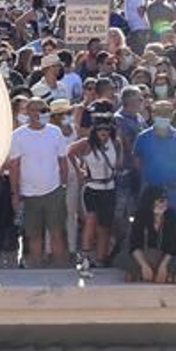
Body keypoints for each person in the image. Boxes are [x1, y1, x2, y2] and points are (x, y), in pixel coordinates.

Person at [7, 98, 69, 268]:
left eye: (42, 110)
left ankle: (60, 270)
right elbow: (14, 166)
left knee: (57, 233)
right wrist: (15, 193)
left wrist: (63, 186)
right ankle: (37, 270)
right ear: (27, 112)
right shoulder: (18, 135)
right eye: (33, 110)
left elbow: (63, 161)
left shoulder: (55, 132)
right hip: (29, 194)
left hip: (53, 191)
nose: (37, 114)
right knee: (34, 235)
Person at [68, 115, 119, 269]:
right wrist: (79, 170)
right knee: (90, 221)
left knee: (105, 226)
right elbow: (69, 152)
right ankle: (85, 256)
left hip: (109, 188)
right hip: (92, 188)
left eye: (107, 129)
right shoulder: (87, 144)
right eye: (100, 129)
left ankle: (100, 258)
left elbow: (119, 162)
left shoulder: (115, 143)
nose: (103, 132)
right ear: (94, 130)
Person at [126, 187, 176, 283]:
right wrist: (144, 265)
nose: (164, 204)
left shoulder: (171, 216)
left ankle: (152, 275)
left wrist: (163, 266)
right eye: (161, 201)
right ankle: (148, 274)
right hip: (144, 255)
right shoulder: (140, 215)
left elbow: (172, 247)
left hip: (164, 256)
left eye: (166, 200)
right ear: (150, 201)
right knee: (125, 260)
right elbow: (134, 245)